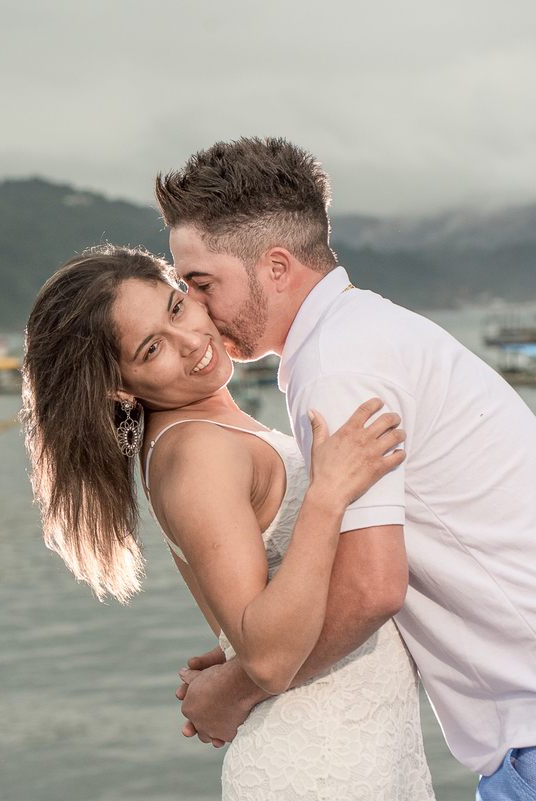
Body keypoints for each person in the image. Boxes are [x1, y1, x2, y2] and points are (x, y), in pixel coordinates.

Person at [155, 137, 536, 800]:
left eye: (202, 283)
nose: (199, 309)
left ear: (276, 267)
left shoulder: (338, 363)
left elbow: (373, 586)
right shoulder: (364, 331)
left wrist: (236, 687)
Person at [23, 244, 435, 799]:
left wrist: (229, 673)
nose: (192, 342)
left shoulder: (198, 431)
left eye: (175, 308)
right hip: (322, 765)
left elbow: (260, 618)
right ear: (118, 387)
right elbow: (267, 658)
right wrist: (327, 495)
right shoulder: (197, 453)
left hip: (357, 747)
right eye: (152, 349)